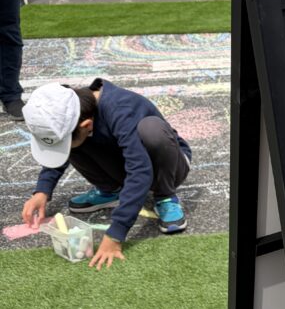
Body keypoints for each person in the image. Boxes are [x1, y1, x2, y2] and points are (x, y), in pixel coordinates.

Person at [21, 79, 191, 269]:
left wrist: (116, 233)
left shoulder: (121, 109)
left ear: (87, 125)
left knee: (152, 131)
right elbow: (58, 145)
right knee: (72, 143)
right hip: (124, 159)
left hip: (169, 166)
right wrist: (42, 191)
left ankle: (165, 195)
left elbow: (139, 170)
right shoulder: (74, 111)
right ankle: (110, 190)